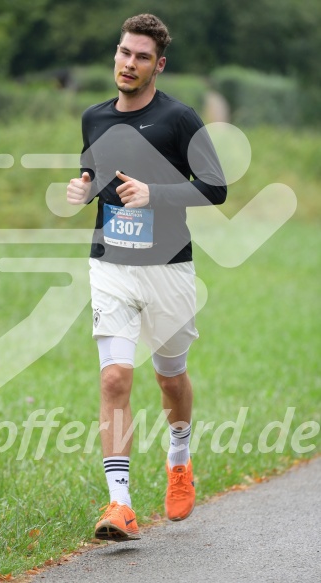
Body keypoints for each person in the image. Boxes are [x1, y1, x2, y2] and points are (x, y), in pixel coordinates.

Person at [67, 13, 226, 542]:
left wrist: (156, 194)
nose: (128, 64)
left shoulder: (179, 119)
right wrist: (84, 186)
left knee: (169, 378)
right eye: (122, 53)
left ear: (158, 65)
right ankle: (120, 505)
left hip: (169, 270)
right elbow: (94, 170)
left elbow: (215, 188)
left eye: (140, 57)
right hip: (110, 264)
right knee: (115, 378)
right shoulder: (93, 117)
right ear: (115, 54)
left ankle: (179, 459)